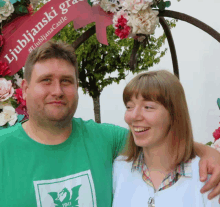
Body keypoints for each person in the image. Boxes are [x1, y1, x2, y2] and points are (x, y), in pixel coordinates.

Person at [0, 41, 219, 207]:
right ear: (25, 88)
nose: (57, 91)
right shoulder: (3, 150)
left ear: (77, 87)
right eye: (46, 80)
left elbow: (161, 138)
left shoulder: (106, 140)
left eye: (66, 81)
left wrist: (208, 152)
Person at [112, 70, 220, 207]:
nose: (133, 116)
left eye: (148, 107)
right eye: (129, 107)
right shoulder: (119, 170)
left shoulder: (207, 178)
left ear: (174, 114)